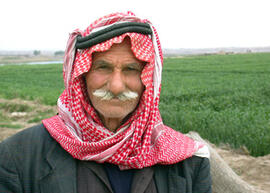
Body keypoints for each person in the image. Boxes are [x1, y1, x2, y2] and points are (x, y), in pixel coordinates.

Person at [0, 12, 212, 193]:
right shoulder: (18, 157)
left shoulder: (189, 162)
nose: (117, 87)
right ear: (81, 76)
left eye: (131, 69)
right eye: (103, 68)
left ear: (148, 80)